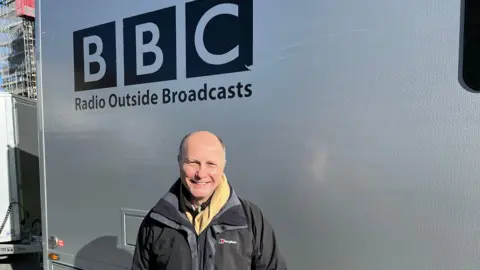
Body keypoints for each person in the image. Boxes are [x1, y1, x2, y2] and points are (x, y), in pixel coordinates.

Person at [131, 130, 287, 270]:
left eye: (211, 164)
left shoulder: (250, 220)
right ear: (179, 161)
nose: (201, 173)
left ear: (223, 166)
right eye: (193, 163)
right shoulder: (157, 221)